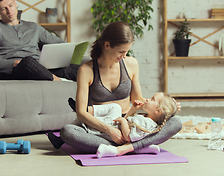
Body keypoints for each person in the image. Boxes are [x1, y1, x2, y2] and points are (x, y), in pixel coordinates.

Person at [47, 21, 182, 153]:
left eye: (127, 51)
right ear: (107, 45)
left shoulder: (131, 64)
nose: (124, 56)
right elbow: (81, 113)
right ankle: (137, 145)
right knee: (67, 132)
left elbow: (138, 99)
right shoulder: (86, 70)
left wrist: (167, 107)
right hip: (102, 127)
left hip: (130, 123)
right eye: (121, 51)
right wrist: (110, 131)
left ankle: (125, 147)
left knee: (175, 122)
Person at [0, 0, 78, 81]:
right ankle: (57, 80)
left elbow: (60, 44)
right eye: (4, 9)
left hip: (40, 67)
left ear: (15, 3)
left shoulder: (33, 27)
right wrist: (16, 63)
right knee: (28, 62)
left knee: (79, 69)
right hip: (17, 70)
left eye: (10, 5)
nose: (9, 11)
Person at [85, 92, 179, 158]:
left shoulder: (146, 123)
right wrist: (133, 110)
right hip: (117, 126)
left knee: (113, 109)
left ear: (158, 111)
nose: (147, 99)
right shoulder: (145, 117)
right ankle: (86, 111)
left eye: (152, 99)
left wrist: (123, 121)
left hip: (115, 131)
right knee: (116, 107)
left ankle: (85, 114)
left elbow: (128, 137)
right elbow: (127, 120)